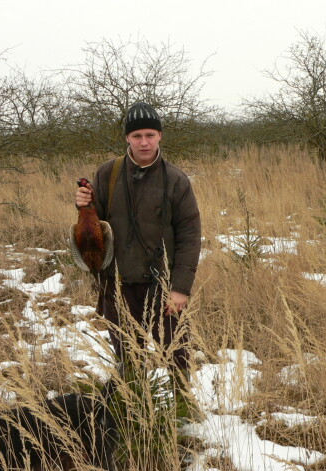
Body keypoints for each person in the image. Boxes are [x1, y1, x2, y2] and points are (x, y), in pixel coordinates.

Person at [75, 102, 202, 412]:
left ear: (160, 136)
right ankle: (135, 412)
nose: (143, 142)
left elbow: (190, 235)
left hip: (162, 286)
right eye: (136, 136)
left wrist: (181, 288)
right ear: (126, 139)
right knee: (128, 356)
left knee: (177, 352)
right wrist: (83, 207)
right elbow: (95, 229)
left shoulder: (176, 179)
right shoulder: (108, 173)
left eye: (149, 135)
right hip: (117, 284)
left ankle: (183, 411)